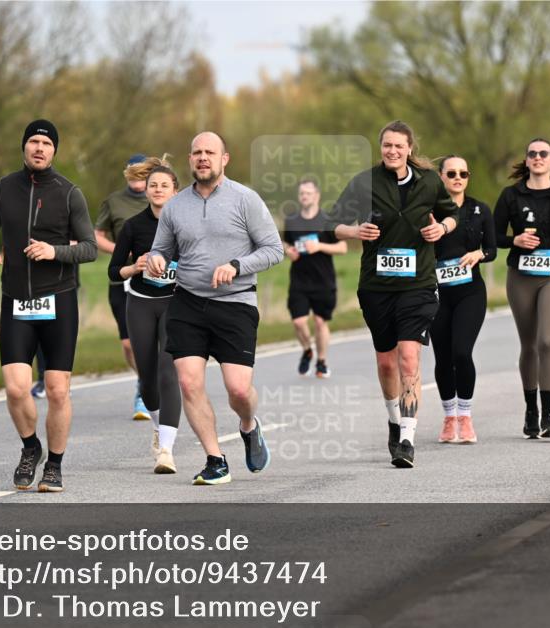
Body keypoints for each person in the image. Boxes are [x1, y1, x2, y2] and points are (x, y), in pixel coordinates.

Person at [148, 132, 284, 485]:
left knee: (239, 390)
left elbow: (273, 249)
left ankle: (248, 425)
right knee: (189, 383)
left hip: (235, 303)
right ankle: (215, 458)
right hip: (188, 304)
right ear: (190, 159)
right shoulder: (176, 206)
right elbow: (161, 248)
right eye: (196, 152)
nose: (203, 157)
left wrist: (236, 265)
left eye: (210, 152)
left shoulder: (245, 199)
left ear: (225, 158)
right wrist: (157, 260)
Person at [0, 119, 98, 492]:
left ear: (54, 150)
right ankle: (31, 447)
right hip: (15, 300)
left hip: (58, 299)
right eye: (33, 141)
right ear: (24, 147)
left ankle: (55, 465)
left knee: (58, 390)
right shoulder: (2, 189)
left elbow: (90, 248)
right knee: (16, 389)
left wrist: (54, 251)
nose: (40, 148)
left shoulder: (69, 193)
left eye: (46, 142)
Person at [330, 120, 458, 467]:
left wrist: (441, 228)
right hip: (377, 287)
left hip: (418, 285)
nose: (392, 151)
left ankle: (407, 438)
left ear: (409, 149)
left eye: (398, 146)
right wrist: (355, 230)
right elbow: (333, 224)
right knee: (387, 362)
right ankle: (393, 418)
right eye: (387, 145)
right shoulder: (365, 181)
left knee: (409, 358)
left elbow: (451, 215)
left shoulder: (430, 181)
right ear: (381, 147)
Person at [494, 138, 550, 439]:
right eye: (533, 154)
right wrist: (514, 241)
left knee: (547, 341)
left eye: (544, 154)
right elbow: (493, 236)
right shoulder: (511, 195)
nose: (538, 158)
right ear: (527, 161)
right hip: (521, 276)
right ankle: (531, 410)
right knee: (529, 344)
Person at [109, 157, 183, 474]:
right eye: (153, 185)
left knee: (169, 372)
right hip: (139, 302)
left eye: (164, 185)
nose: (157, 190)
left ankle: (166, 450)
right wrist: (135, 267)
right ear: (146, 191)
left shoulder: (186, 224)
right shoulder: (133, 226)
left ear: (175, 191)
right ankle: (158, 426)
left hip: (176, 304)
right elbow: (114, 271)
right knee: (148, 377)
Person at [432, 156, 496, 444]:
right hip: (437, 293)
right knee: (443, 357)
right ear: (442, 177)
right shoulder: (430, 210)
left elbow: (493, 248)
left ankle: (465, 417)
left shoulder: (480, 209)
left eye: (463, 173)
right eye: (452, 173)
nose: (458, 177)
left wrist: (478, 254)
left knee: (461, 351)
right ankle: (449, 417)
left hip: (470, 291)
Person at [95, 154, 152, 420]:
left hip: (157, 279)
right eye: (132, 173)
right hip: (122, 279)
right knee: (129, 345)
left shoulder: (161, 197)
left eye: (142, 173)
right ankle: (144, 382)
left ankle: (151, 387)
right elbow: (97, 237)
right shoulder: (114, 201)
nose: (137, 179)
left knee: (154, 341)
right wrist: (124, 253)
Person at [283, 178, 347, 378]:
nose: (304, 196)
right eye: (302, 193)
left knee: (320, 322)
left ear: (317, 196)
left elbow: (342, 248)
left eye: (308, 193)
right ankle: (307, 350)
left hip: (323, 281)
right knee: (299, 322)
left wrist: (319, 246)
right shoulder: (291, 220)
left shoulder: (328, 221)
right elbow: (286, 243)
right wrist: (288, 251)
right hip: (299, 280)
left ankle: (321, 362)